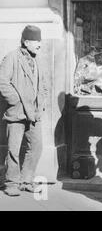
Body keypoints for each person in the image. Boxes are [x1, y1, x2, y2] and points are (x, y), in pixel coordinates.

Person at [0, 25, 48, 196]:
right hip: (17, 112)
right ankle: (11, 183)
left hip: (34, 113)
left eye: (40, 41)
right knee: (13, 149)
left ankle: (26, 181)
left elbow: (42, 85)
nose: (39, 45)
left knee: (36, 146)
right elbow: (2, 82)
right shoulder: (12, 58)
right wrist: (15, 100)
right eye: (36, 41)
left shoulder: (37, 60)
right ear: (26, 42)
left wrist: (41, 102)